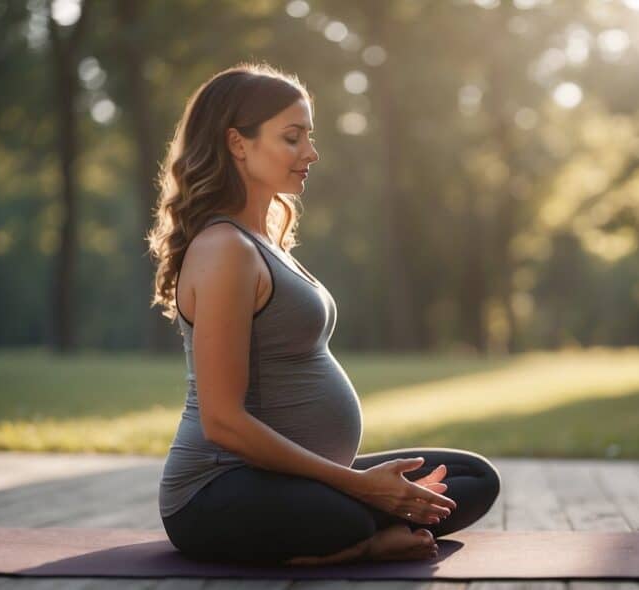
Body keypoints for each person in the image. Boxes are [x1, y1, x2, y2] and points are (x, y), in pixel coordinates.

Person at [146, 62, 501, 566]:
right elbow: (223, 422)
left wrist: (361, 483)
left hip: (302, 480)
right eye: (293, 138)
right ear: (237, 143)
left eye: (309, 138)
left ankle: (352, 520)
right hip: (217, 490)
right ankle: (363, 540)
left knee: (472, 479)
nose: (311, 153)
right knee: (348, 517)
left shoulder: (264, 241)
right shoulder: (225, 249)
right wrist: (361, 488)